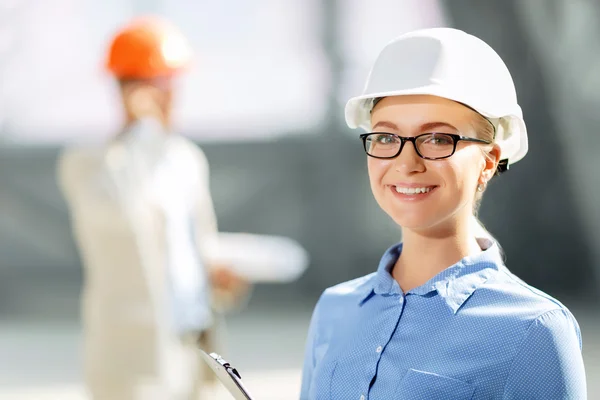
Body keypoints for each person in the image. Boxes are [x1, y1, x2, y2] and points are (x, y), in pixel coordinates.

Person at [300, 27, 586, 399]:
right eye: (386, 137)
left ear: (489, 161)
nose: (406, 164)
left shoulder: (534, 329)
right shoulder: (334, 309)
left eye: (437, 139)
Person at [57, 15, 248, 400]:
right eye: (161, 85)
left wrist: (219, 275)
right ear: (128, 90)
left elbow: (199, 242)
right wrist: (138, 133)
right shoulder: (89, 163)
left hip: (191, 344)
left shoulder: (185, 158)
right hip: (132, 357)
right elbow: (123, 210)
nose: (172, 97)